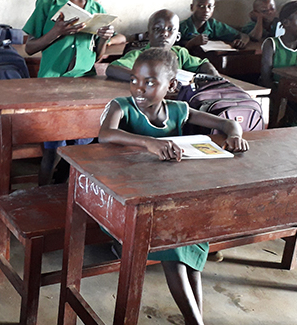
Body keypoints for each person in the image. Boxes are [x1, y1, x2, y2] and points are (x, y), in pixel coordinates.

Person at [99, 48, 248, 325]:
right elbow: (106, 135)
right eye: (134, 80)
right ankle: (195, 321)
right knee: (175, 248)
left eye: (150, 82)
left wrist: (235, 136)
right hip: (127, 204)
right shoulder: (122, 107)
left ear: (171, 86)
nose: (139, 88)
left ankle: (196, 319)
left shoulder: (179, 110)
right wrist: (148, 142)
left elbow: (228, 123)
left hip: (168, 201)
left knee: (189, 240)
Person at [22, 0, 123, 185]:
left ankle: (71, 194)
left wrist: (104, 39)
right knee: (52, 152)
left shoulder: (97, 8)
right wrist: (56, 32)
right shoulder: (47, 4)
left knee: (82, 150)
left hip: (85, 86)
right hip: (52, 87)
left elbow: (97, 56)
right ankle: (42, 195)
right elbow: (29, 47)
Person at [106, 9, 219, 81]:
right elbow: (112, 69)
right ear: (148, 35)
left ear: (177, 37)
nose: (164, 33)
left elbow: (203, 64)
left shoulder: (180, 53)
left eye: (170, 29)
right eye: (157, 29)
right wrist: (149, 79)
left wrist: (216, 78)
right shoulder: (139, 55)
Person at [179, 0, 250, 50]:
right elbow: (175, 49)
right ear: (192, 7)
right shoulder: (181, 27)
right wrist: (191, 43)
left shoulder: (213, 25)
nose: (206, 10)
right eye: (201, 6)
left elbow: (243, 35)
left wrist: (242, 42)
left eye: (209, 6)